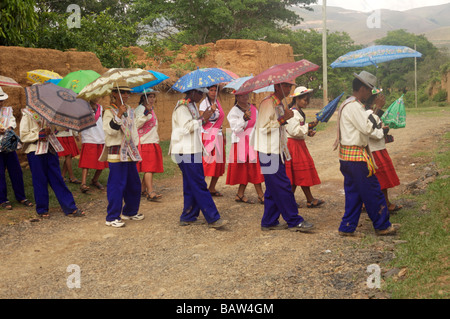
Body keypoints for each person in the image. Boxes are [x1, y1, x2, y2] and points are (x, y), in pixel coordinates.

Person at [332, 71, 397, 236]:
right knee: (373, 191)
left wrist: (379, 129)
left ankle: (347, 227)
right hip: (357, 158)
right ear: (362, 89)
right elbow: (368, 128)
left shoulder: (347, 104)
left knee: (354, 193)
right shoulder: (354, 106)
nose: (370, 94)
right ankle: (382, 226)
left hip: (347, 157)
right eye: (369, 90)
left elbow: (366, 128)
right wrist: (378, 113)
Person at [251, 81, 315, 232]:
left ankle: (269, 220)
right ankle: (294, 220)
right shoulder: (268, 103)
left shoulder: (279, 104)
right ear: (276, 87)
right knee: (283, 185)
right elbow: (263, 128)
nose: (288, 89)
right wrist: (282, 119)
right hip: (268, 151)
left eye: (289, 86)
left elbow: (279, 128)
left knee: (273, 188)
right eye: (285, 86)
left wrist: (283, 119)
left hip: (276, 150)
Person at [169, 88, 226, 228]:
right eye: (199, 93)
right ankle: (213, 217)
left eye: (202, 93)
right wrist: (203, 118)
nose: (201, 96)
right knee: (199, 183)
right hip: (184, 151)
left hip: (192, 149)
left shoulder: (192, 105)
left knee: (190, 183)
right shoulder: (182, 107)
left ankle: (188, 215)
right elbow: (187, 127)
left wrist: (204, 118)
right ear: (191, 92)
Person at [19, 105, 84, 218]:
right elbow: (23, 136)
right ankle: (42, 209)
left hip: (50, 149)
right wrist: (40, 134)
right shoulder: (27, 114)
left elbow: (58, 129)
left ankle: (70, 207)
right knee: (39, 180)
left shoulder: (49, 113)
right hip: (35, 151)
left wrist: (58, 124)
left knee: (57, 178)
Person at [100, 80, 143, 228]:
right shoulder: (108, 111)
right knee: (117, 185)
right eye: (122, 92)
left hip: (130, 152)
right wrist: (118, 115)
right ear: (114, 94)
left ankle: (130, 211)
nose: (125, 95)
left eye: (127, 93)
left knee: (134, 183)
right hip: (116, 152)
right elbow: (110, 131)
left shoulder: (130, 110)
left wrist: (136, 146)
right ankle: (112, 217)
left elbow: (134, 130)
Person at [285, 86, 324, 208]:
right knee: (298, 172)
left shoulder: (299, 112)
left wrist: (308, 131)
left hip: (298, 144)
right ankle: (297, 200)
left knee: (299, 173)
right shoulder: (293, 113)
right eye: (304, 100)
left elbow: (299, 131)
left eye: (307, 100)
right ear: (297, 99)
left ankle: (306, 199)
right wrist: (309, 126)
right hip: (293, 145)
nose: (306, 102)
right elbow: (293, 131)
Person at [366, 94, 403, 213]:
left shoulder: (373, 113)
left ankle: (374, 203)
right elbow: (372, 132)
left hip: (378, 148)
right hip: (374, 151)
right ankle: (385, 204)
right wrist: (384, 131)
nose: (382, 101)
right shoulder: (368, 114)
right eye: (378, 99)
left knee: (379, 179)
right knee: (381, 179)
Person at [226, 92, 265, 204]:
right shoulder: (234, 112)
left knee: (251, 167)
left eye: (246, 95)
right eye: (242, 95)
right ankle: (260, 195)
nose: (245, 97)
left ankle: (240, 194)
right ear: (237, 97)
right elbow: (235, 129)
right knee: (248, 167)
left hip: (252, 141)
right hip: (241, 142)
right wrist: (243, 119)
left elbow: (258, 123)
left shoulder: (253, 108)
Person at [0, 87, 33, 210]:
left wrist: (8, 128)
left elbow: (13, 122)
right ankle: (3, 200)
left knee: (16, 171)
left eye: (2, 100)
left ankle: (21, 197)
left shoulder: (7, 111)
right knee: (0, 174)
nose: (1, 103)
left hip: (9, 146)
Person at [135, 90, 164, 201]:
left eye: (153, 97)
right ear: (143, 98)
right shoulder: (140, 109)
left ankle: (142, 189)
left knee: (150, 168)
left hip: (152, 140)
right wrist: (145, 115)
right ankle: (150, 191)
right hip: (145, 141)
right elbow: (137, 124)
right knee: (149, 168)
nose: (151, 99)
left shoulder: (151, 109)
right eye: (149, 97)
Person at [198, 85, 226, 197]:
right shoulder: (204, 104)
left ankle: (212, 187)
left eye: (215, 90)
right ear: (207, 91)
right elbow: (202, 121)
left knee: (218, 163)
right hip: (208, 136)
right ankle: (201, 187)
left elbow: (220, 120)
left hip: (218, 135)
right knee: (207, 163)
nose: (214, 92)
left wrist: (222, 133)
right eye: (211, 90)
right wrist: (210, 111)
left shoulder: (218, 103)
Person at [78, 99, 108, 193]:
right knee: (86, 161)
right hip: (89, 136)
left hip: (100, 136)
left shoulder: (100, 107)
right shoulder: (83, 108)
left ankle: (95, 180)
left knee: (101, 161)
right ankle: (83, 183)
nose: (97, 98)